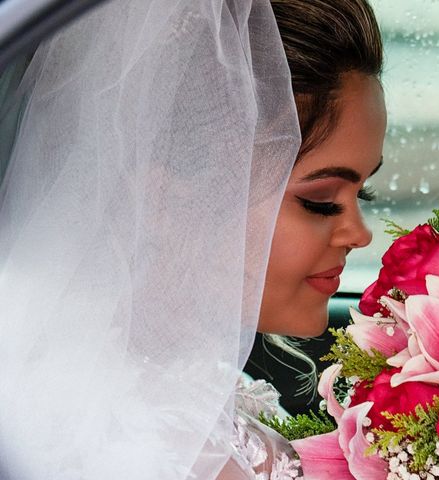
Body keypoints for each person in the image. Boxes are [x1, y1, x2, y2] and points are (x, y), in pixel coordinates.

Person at [0, 0, 384, 479]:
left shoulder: (175, 391)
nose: (360, 234)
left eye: (363, 191)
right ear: (168, 197)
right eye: (321, 201)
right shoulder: (159, 450)